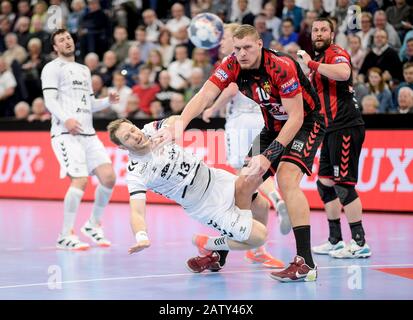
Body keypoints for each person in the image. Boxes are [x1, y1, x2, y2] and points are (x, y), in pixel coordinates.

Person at [155, 24, 325, 282]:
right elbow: (205, 95)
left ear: (260, 44)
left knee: (287, 178)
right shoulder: (232, 64)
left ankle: (306, 263)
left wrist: (269, 155)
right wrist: (180, 124)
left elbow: (296, 117)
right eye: (237, 48)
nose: (242, 53)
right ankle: (219, 255)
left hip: (306, 123)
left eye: (247, 47)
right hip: (271, 127)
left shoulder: (281, 66)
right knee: (243, 185)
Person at [107, 117, 278, 273]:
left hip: (217, 179)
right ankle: (209, 243)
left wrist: (168, 129)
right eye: (127, 137)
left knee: (261, 205)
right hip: (205, 204)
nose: (135, 136)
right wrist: (141, 236)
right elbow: (136, 211)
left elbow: (177, 120)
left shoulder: (150, 130)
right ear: (122, 147)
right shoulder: (136, 172)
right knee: (259, 237)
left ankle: (254, 253)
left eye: (132, 130)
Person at [202, 23, 291, 237]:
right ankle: (277, 200)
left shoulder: (232, 61)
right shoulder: (257, 60)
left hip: (240, 122)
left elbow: (232, 89)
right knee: (258, 170)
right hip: (262, 119)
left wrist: (213, 108)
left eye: (223, 38)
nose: (221, 42)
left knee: (244, 177)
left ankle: (246, 233)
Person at [298, 18, 371, 259]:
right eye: (315, 30)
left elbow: (343, 73)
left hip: (346, 127)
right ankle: (335, 240)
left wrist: (309, 64)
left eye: (323, 30)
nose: (318, 34)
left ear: (332, 33)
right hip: (328, 129)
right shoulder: (317, 61)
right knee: (325, 183)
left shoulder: (336, 53)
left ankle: (360, 243)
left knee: (343, 184)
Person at [41, 29, 119, 251]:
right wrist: (66, 120)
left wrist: (107, 101)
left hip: (89, 134)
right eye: (61, 40)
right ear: (55, 47)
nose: (66, 42)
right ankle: (65, 235)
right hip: (66, 134)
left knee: (109, 178)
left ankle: (93, 224)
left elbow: (89, 104)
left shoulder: (84, 69)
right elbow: (49, 100)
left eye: (68, 38)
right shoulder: (51, 68)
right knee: (80, 180)